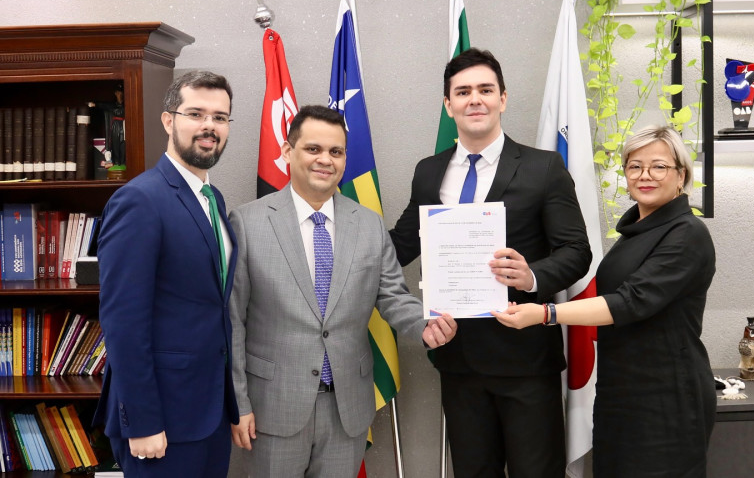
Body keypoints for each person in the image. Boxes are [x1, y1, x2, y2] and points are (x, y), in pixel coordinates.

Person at [390, 48, 592, 477]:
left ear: (503, 98)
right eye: (462, 92)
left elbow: (577, 252)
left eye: (485, 89)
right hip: (457, 356)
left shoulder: (543, 167)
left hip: (524, 359)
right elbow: (401, 245)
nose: (474, 99)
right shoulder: (428, 172)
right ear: (449, 105)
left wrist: (534, 274)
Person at [228, 105, 457, 477]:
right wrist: (237, 403)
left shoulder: (367, 224)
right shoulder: (247, 222)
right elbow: (233, 320)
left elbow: (393, 296)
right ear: (287, 152)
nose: (325, 160)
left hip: (347, 408)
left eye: (336, 152)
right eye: (313, 149)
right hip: (272, 408)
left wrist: (426, 324)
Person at [493, 125, 717, 478]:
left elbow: (630, 302)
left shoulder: (687, 234)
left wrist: (546, 313)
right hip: (621, 393)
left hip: (667, 398)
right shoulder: (635, 232)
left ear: (681, 176)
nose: (645, 176)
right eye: (634, 166)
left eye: (659, 166)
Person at [94, 71, 239, 477]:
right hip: (159, 421)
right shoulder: (139, 200)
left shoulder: (211, 198)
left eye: (220, 117)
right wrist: (142, 420)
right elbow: (123, 321)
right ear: (168, 120)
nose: (209, 126)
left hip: (207, 413)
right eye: (196, 113)